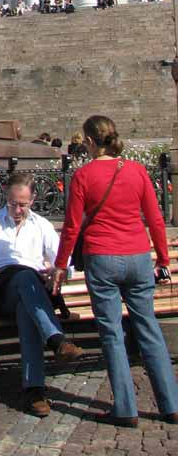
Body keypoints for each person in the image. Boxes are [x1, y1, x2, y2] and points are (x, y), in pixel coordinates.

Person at [51, 116, 178, 427]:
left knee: (112, 334)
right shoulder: (136, 171)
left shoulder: (83, 175)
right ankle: (171, 404)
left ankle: (125, 408)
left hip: (102, 257)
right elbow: (155, 219)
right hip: (137, 256)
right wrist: (163, 259)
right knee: (148, 328)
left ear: (91, 142)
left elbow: (71, 227)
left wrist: (60, 265)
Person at [0, 170, 82, 415]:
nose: (17, 209)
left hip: (32, 294)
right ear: (6, 197)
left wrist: (56, 271)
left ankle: (34, 392)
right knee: (23, 277)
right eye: (13, 203)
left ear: (32, 201)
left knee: (28, 307)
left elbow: (66, 264)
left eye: (23, 204)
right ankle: (56, 340)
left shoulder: (42, 226)